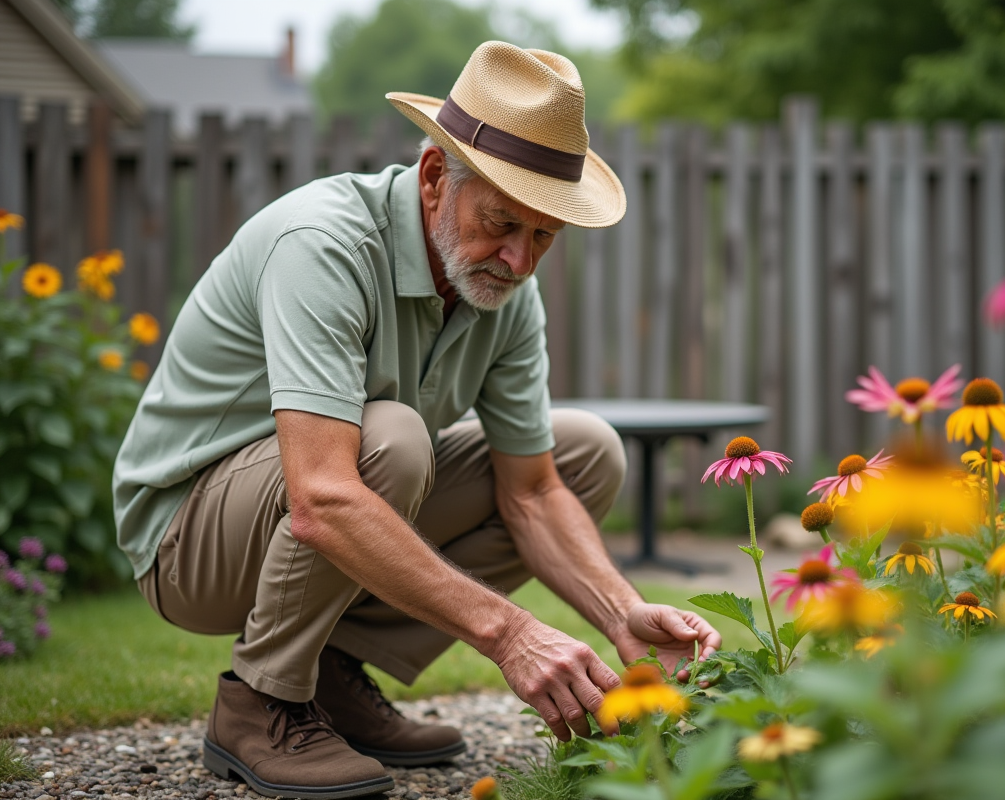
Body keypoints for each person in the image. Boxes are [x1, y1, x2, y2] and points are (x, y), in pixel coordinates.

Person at [112, 40, 721, 800]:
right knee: (390, 439)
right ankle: (261, 701)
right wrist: (512, 635)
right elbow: (324, 496)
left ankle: (329, 671)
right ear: (435, 177)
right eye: (502, 222)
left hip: (316, 506)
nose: (520, 260)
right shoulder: (324, 244)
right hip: (186, 540)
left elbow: (531, 493)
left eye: (543, 237)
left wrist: (623, 615)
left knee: (584, 452)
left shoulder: (504, 290)